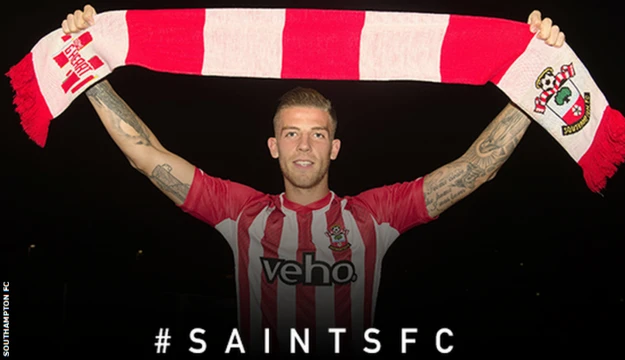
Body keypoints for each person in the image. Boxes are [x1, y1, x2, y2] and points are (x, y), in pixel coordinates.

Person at [61, 4, 566, 356]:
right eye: (292, 134)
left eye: (317, 134)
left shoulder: (375, 215)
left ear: (335, 147)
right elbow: (144, 154)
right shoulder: (240, 213)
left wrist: (531, 76)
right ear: (274, 145)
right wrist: (89, 68)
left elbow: (476, 167)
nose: (305, 145)